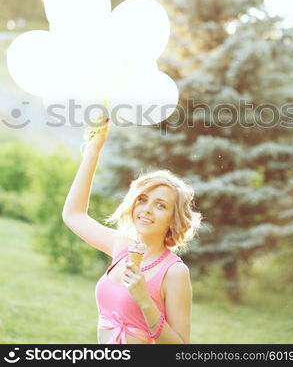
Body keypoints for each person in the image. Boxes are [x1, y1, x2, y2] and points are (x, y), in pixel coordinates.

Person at [62, 118, 202, 344]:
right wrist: (93, 151)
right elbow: (73, 215)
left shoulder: (174, 272)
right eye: (143, 200)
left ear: (173, 218)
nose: (146, 210)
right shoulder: (122, 246)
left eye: (160, 205)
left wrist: (145, 300)